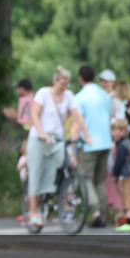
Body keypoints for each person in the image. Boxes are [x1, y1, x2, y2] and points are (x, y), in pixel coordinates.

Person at [25, 66, 91, 230]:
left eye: (67, 84)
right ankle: (34, 212)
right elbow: (34, 115)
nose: (65, 87)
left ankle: (60, 197)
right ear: (55, 81)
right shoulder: (43, 93)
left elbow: (77, 115)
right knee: (36, 173)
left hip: (57, 139)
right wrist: (42, 133)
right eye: (62, 84)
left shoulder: (68, 96)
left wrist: (87, 135)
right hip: (40, 139)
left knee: (66, 165)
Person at [74, 65, 113, 227]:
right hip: (105, 141)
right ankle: (103, 214)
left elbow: (78, 120)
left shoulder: (80, 97)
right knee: (99, 180)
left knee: (85, 178)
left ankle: (96, 211)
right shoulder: (104, 95)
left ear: (80, 78)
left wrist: (73, 138)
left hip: (89, 144)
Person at [110, 119, 130, 232]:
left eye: (119, 130)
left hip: (128, 176)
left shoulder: (123, 145)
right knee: (126, 200)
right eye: (113, 130)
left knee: (129, 201)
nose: (115, 133)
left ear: (125, 131)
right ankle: (125, 223)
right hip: (127, 175)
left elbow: (119, 162)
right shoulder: (124, 143)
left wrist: (114, 173)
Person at [3, 78, 35, 146]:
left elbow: (25, 120)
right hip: (29, 135)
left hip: (32, 137)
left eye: (18, 89)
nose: (17, 91)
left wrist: (12, 115)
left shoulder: (27, 100)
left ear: (22, 89)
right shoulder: (34, 98)